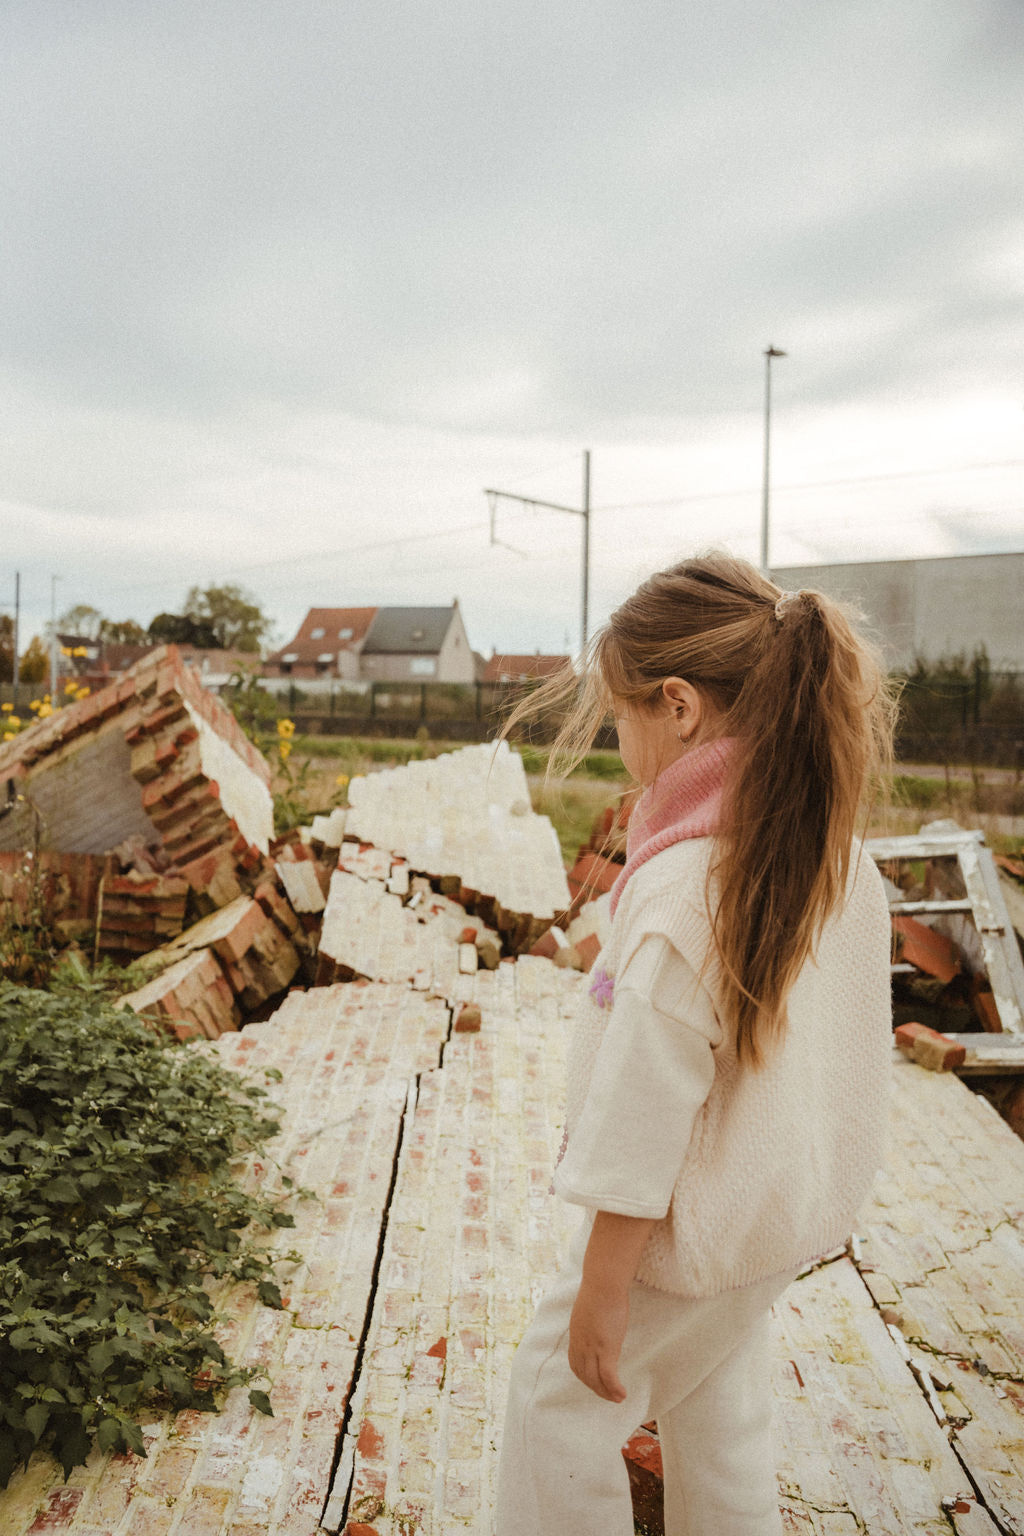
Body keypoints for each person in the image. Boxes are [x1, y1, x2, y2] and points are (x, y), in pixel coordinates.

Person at [494, 554, 897, 1536]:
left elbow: (644, 1101)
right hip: (768, 1225)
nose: (616, 740)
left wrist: (602, 1284)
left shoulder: (686, 892)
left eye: (618, 715)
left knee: (555, 1405)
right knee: (721, 1417)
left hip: (672, 1244)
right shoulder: (831, 855)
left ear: (676, 706)